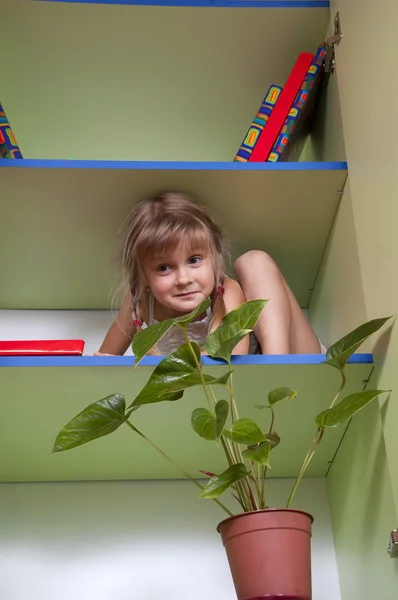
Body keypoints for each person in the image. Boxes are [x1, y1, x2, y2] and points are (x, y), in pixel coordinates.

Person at [95, 191, 322, 356]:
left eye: (194, 260)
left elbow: (229, 350)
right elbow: (105, 359)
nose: (184, 279)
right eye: (164, 268)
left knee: (254, 261)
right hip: (232, 394)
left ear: (214, 258)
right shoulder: (139, 303)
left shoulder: (225, 292)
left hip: (297, 355)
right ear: (143, 275)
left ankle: (276, 368)